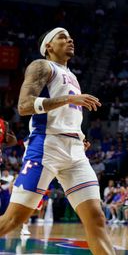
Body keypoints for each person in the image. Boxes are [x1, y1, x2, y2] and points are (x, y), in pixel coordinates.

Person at [0, 28, 114, 254]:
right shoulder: (42, 66)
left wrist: (77, 136)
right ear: (48, 47)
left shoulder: (71, 75)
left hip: (75, 151)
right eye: (62, 37)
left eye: (70, 36)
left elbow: (66, 115)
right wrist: (69, 98)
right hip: (46, 147)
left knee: (96, 218)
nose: (70, 39)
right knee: (13, 220)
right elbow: (24, 105)